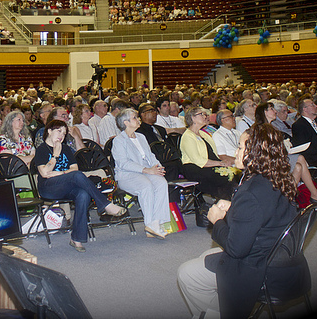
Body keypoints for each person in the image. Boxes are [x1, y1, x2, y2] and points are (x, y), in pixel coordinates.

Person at [177, 123, 303, 318]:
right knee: (205, 255)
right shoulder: (279, 177)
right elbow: (263, 213)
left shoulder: (251, 192)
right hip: (283, 257)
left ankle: (215, 314)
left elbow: (237, 249)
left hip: (260, 268)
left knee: (187, 273)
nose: (236, 152)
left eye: (240, 147)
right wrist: (234, 208)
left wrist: (217, 221)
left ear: (254, 154)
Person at [33, 119, 127, 253]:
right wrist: (55, 155)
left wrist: (59, 173)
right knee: (77, 176)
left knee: (83, 194)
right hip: (48, 188)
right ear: (49, 131)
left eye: (64, 133)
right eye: (59, 131)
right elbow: (44, 173)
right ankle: (105, 205)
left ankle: (77, 238)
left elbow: (75, 168)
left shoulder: (66, 148)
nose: (62, 135)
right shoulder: (42, 149)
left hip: (66, 185)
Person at [111, 108, 170, 239]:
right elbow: (123, 164)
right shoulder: (119, 140)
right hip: (127, 175)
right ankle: (149, 224)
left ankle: (157, 222)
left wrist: (157, 167)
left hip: (146, 172)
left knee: (161, 183)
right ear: (125, 122)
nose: (138, 120)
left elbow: (150, 155)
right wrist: (147, 170)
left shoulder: (141, 137)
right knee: (146, 186)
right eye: (134, 118)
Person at [179, 106, 238, 201]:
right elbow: (197, 160)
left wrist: (224, 162)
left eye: (205, 114)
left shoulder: (204, 134)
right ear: (193, 118)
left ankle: (230, 201)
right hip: (195, 168)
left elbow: (215, 154)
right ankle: (227, 202)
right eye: (201, 114)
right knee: (225, 178)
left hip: (210, 165)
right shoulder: (188, 136)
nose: (205, 117)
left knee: (235, 173)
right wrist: (220, 163)